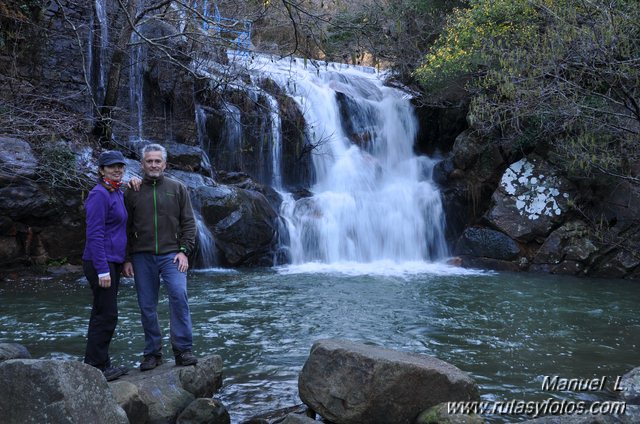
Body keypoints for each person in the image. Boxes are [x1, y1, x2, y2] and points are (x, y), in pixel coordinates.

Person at [123, 143, 198, 371]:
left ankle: (183, 350)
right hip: (142, 256)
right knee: (147, 305)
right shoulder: (132, 191)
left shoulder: (177, 188)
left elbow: (189, 223)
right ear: (142, 165)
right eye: (149, 161)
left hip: (172, 255)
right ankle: (152, 353)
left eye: (157, 161)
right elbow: (123, 226)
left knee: (179, 296)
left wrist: (184, 251)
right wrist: (126, 258)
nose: (153, 164)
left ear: (165, 164)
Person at [82, 150, 129, 381]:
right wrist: (102, 269)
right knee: (107, 314)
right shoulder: (99, 194)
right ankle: (97, 366)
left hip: (113, 261)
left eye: (120, 166)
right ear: (101, 170)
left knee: (102, 312)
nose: (117, 169)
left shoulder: (116, 191)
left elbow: (119, 230)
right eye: (111, 166)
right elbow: (95, 234)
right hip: (100, 261)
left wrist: (124, 261)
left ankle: (99, 363)